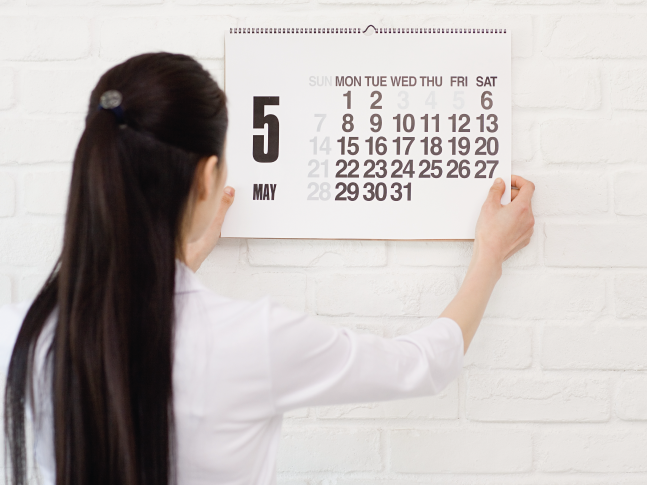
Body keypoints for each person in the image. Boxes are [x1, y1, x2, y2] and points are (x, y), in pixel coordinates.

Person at [1, 52, 535, 485]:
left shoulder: (20, 333)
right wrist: (488, 255)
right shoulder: (253, 339)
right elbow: (422, 364)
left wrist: (181, 258)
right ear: (207, 178)